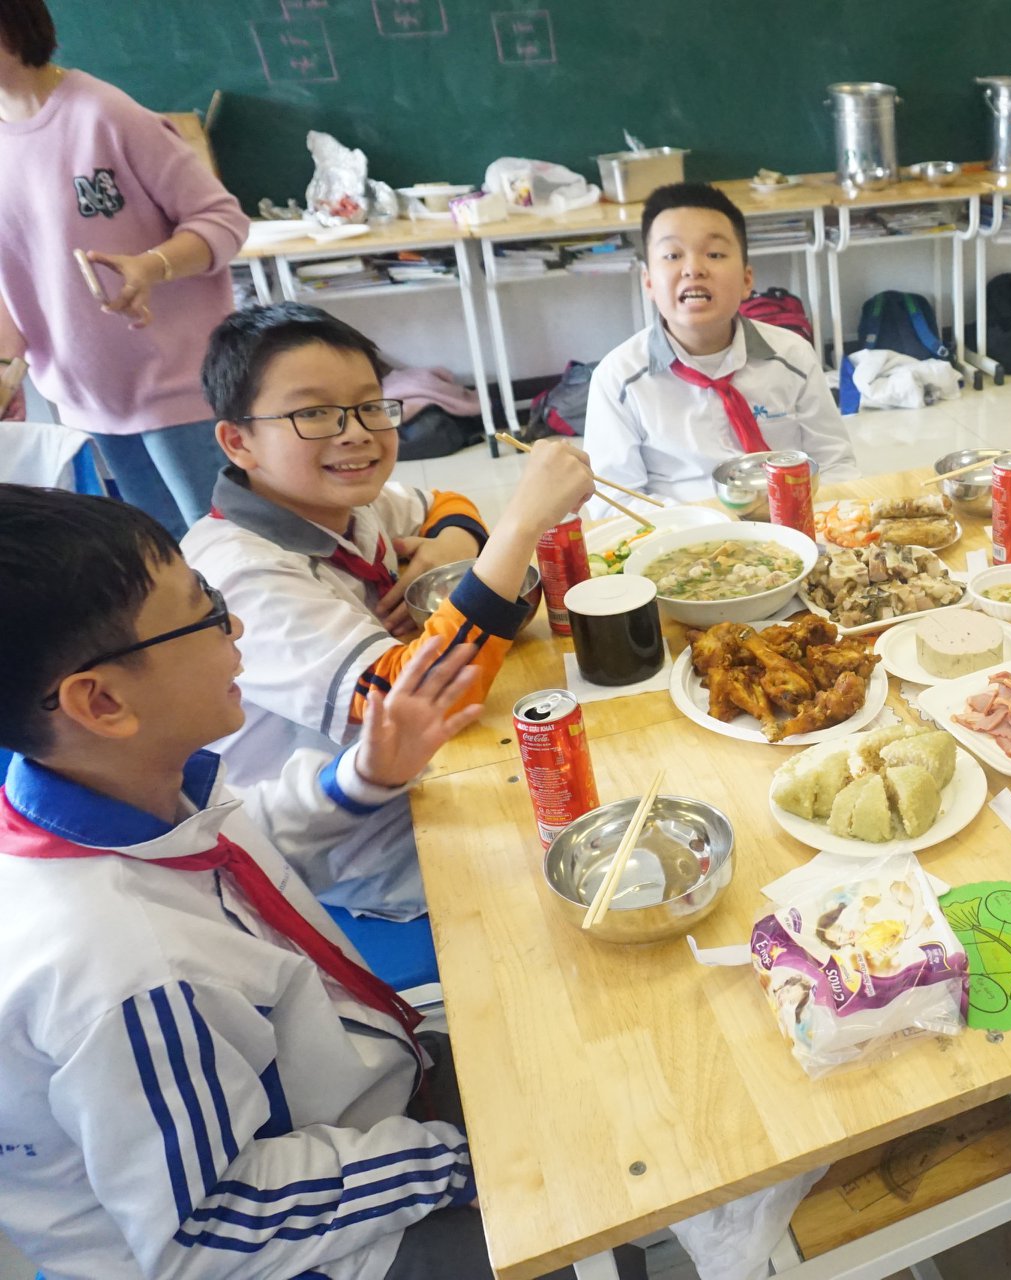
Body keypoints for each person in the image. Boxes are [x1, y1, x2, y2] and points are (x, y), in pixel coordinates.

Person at [0, 487, 516, 1280]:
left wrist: (366, 777)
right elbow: (211, 1227)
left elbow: (243, 845)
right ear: (101, 701)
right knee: (585, 1205)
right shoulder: (120, 965)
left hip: (352, 1092)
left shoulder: (122, 794)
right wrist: (458, 1163)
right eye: (205, 614)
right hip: (284, 1243)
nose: (235, 627)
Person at [181, 303, 595, 918]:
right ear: (238, 441)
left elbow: (444, 502)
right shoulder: (241, 573)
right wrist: (520, 524)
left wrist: (452, 544)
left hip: (437, 777)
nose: (355, 433)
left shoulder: (341, 503)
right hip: (369, 851)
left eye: (370, 405)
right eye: (313, 413)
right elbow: (410, 701)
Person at [0, 0, 251, 538]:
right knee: (152, 552)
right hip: (81, 397)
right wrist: (5, 365)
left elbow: (223, 220)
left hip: (177, 389)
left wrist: (151, 267)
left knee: (227, 549)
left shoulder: (105, 114)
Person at [583, 182, 854, 508]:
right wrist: (701, 525)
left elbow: (835, 464)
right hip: (680, 532)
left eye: (714, 254)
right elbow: (613, 500)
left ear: (747, 280)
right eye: (672, 255)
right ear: (649, 282)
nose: (693, 269)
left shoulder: (793, 355)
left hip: (793, 522)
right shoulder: (618, 379)